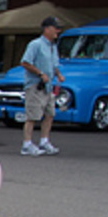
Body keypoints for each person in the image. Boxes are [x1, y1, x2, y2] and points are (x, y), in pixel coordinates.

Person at [20, 16, 66, 156]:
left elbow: (54, 64)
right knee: (32, 116)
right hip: (36, 85)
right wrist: (40, 74)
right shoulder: (36, 44)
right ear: (47, 29)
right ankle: (27, 144)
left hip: (49, 87)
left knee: (50, 114)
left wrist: (58, 74)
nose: (57, 31)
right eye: (55, 28)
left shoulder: (53, 46)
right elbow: (25, 62)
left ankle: (44, 141)